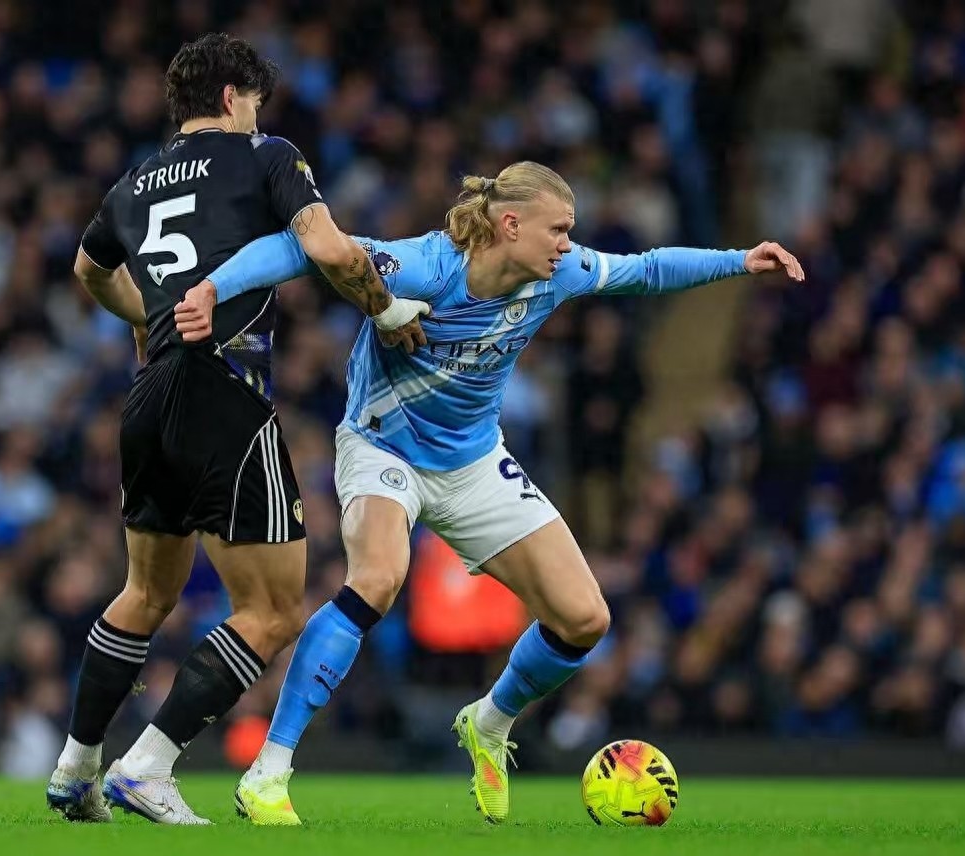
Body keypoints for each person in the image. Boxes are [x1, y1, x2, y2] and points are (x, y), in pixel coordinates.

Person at [183, 161, 804, 825]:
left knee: (585, 618)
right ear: (509, 224)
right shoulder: (425, 266)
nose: (568, 244)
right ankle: (269, 772)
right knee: (379, 578)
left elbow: (646, 269)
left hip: (475, 462)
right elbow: (298, 247)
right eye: (558, 229)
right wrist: (215, 287)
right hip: (383, 448)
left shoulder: (558, 274)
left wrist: (741, 259)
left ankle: (490, 720)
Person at [45, 33, 428, 826]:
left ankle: (75, 767)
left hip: (149, 394)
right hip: (226, 390)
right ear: (232, 97)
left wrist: (147, 323)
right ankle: (147, 765)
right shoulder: (266, 154)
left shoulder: (134, 182)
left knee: (146, 592)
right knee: (277, 608)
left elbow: (86, 270)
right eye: (254, 100)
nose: (258, 114)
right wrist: (386, 310)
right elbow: (326, 247)